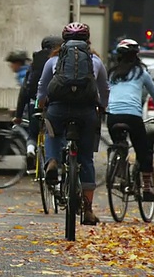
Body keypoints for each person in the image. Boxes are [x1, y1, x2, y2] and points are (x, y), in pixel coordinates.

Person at [36, 22, 110, 225]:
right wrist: (102, 107)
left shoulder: (54, 60)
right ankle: (87, 210)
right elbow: (104, 88)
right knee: (86, 158)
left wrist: (43, 105)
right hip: (86, 112)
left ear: (63, 41)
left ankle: (52, 161)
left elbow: (42, 86)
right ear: (88, 40)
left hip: (58, 108)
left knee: (53, 133)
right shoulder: (95, 61)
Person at [106, 38, 154, 202]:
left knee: (120, 144)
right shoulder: (142, 73)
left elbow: (105, 94)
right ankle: (147, 187)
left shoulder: (112, 74)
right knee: (144, 152)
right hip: (133, 117)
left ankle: (119, 171)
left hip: (113, 117)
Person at [13, 36, 64, 161]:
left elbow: (25, 89)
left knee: (33, 131)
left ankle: (30, 149)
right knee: (57, 132)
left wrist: (18, 115)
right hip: (54, 103)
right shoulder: (59, 61)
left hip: (35, 101)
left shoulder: (34, 64)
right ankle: (58, 158)